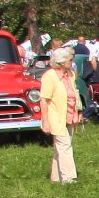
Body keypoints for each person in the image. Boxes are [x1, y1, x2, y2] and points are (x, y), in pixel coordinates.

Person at [39, 46, 82, 183]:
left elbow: (74, 93)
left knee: (60, 148)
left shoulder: (71, 74)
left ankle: (56, 177)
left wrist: (79, 111)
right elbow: (44, 100)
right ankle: (69, 178)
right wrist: (45, 122)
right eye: (70, 60)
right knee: (65, 146)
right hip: (56, 117)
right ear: (61, 62)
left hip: (70, 115)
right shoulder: (49, 76)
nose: (72, 62)